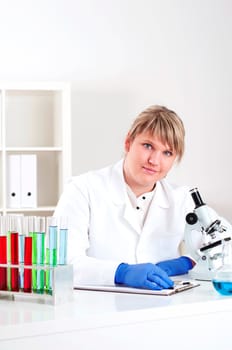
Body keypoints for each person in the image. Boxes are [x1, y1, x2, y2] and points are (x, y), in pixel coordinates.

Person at [54, 105, 195, 290]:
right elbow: (63, 263)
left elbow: (224, 245)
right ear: (128, 143)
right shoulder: (82, 189)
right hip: (97, 310)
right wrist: (121, 272)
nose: (154, 160)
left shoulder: (181, 198)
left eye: (167, 153)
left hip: (163, 310)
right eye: (148, 146)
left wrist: (187, 262)